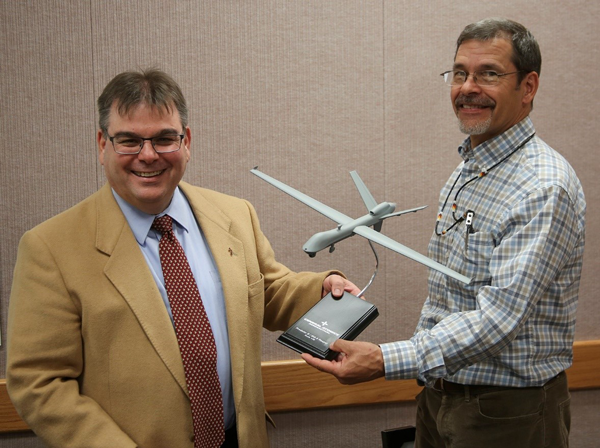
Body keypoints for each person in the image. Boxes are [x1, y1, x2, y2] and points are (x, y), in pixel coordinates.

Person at [6, 68, 360, 448]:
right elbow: (38, 383)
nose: (147, 155)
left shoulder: (235, 215)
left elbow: (265, 291)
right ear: (101, 144)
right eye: (128, 140)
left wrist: (320, 289)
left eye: (164, 139)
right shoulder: (51, 248)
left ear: (186, 141)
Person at [302, 18, 586, 448]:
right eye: (459, 73)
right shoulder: (467, 169)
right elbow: (449, 298)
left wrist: (385, 359)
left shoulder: (543, 186)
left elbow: (498, 320)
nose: (467, 87)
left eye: (488, 73)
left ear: (528, 87)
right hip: (440, 396)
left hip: (508, 413)